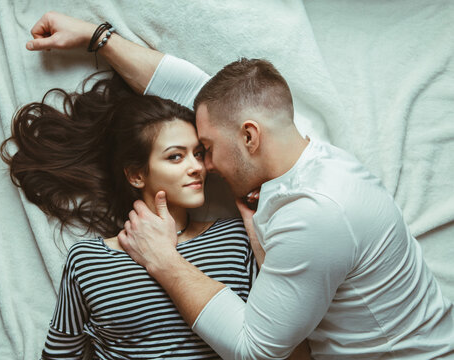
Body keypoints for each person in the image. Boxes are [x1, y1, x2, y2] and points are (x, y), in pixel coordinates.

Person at [26, 12, 454, 359]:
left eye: (206, 148)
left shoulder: (318, 213)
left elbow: (256, 351)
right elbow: (194, 92)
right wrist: (98, 37)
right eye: (184, 154)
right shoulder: (292, 145)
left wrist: (163, 258)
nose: (206, 166)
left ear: (249, 137)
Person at [0, 73, 259, 359]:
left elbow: (274, 339)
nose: (197, 166)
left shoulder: (235, 237)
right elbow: (60, 355)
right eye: (176, 156)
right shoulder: (88, 261)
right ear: (137, 175)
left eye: (198, 153)